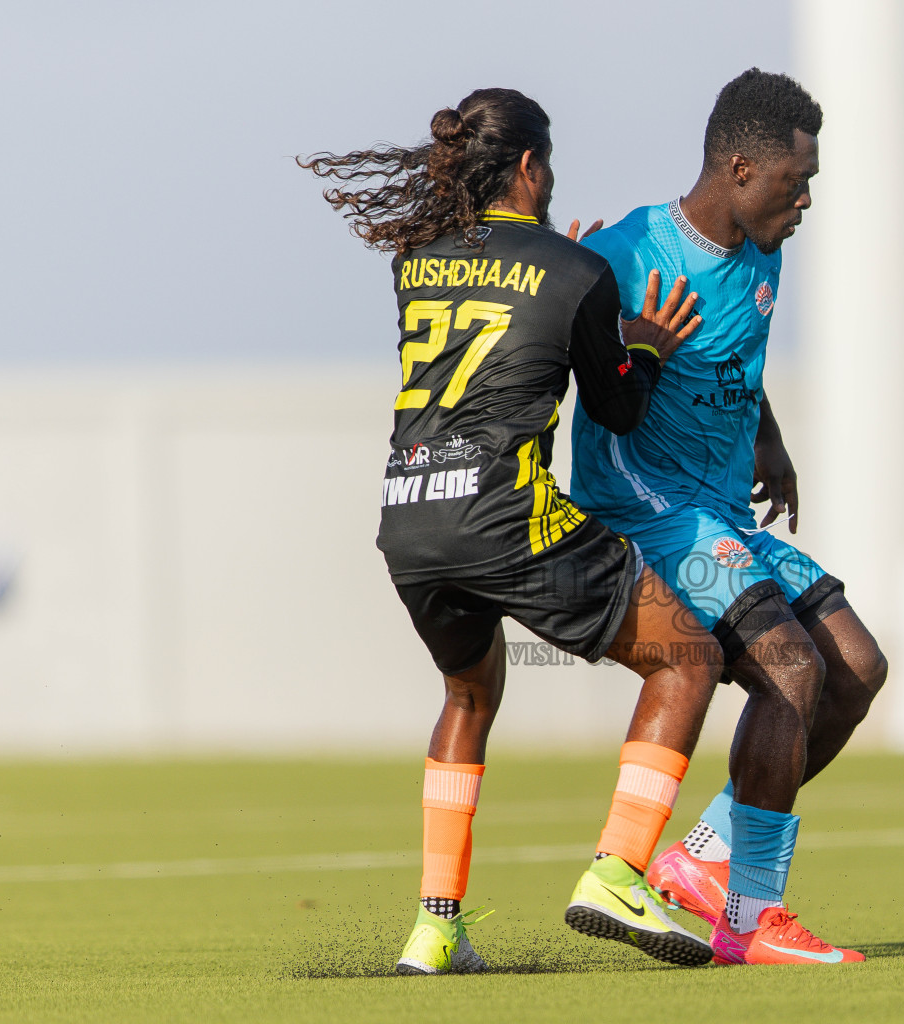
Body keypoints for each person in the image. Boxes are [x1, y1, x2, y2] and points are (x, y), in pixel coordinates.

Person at [298, 87, 723, 975]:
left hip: (410, 517)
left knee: (468, 697)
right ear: (530, 167)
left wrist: (568, 289)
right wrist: (641, 342)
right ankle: (618, 872)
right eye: (549, 164)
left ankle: (435, 930)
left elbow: (496, 315)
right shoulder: (576, 272)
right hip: (504, 513)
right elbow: (618, 407)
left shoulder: (415, 260)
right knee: (687, 658)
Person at [571, 69, 888, 965]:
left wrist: (769, 439)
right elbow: (573, 370)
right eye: (797, 181)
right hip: (645, 506)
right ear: (741, 170)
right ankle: (750, 918)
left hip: (717, 509)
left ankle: (705, 856)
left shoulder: (762, 250)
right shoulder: (627, 256)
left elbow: (735, 355)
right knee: (790, 666)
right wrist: (578, 296)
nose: (807, 200)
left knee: (856, 668)